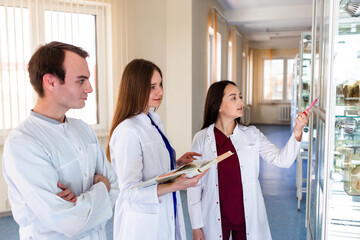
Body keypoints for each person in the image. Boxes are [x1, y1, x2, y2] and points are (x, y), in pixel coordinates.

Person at [2, 41, 119, 239]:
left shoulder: (82, 129)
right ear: (51, 82)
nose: (89, 88)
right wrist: (102, 187)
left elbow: (115, 186)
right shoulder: (23, 143)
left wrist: (84, 200)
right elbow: (67, 221)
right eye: (81, 80)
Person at [187, 80, 310, 240]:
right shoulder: (202, 139)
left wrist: (298, 131)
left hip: (246, 216)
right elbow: (194, 185)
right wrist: (196, 227)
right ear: (218, 105)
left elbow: (283, 160)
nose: (241, 102)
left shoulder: (252, 134)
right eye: (233, 98)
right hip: (215, 216)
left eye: (240, 97)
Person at [107, 58, 205, 240]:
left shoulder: (152, 120)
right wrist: (175, 185)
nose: (160, 91)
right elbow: (129, 191)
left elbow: (150, 167)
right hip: (143, 224)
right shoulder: (127, 131)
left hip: (166, 210)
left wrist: (176, 164)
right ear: (135, 88)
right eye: (152, 87)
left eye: (160, 84)